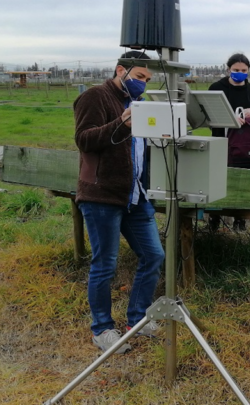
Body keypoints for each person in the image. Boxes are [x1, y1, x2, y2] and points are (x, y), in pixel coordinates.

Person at [73, 51, 165, 353]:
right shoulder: (95, 97)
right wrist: (121, 124)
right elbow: (84, 139)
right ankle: (101, 329)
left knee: (153, 255)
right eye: (139, 77)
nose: (143, 84)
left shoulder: (138, 104)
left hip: (134, 194)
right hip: (102, 194)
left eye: (148, 80)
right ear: (120, 70)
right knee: (105, 264)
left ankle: (136, 320)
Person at [208, 53, 250, 231]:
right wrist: (230, 118)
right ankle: (214, 218)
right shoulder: (216, 88)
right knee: (218, 180)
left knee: (242, 180)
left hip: (246, 143)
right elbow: (208, 114)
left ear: (248, 71)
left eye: (243, 70)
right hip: (221, 141)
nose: (240, 73)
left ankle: (240, 219)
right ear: (228, 69)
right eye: (236, 70)